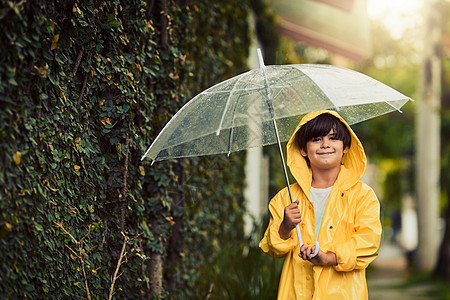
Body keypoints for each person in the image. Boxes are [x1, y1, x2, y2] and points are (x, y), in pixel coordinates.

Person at [259, 110, 382, 299]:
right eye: (316, 139)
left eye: (333, 138)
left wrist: (330, 258)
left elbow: (369, 242)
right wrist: (285, 226)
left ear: (346, 146)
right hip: (296, 293)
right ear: (303, 150)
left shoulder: (362, 196)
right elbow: (273, 247)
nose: (325, 144)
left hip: (345, 293)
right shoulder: (287, 198)